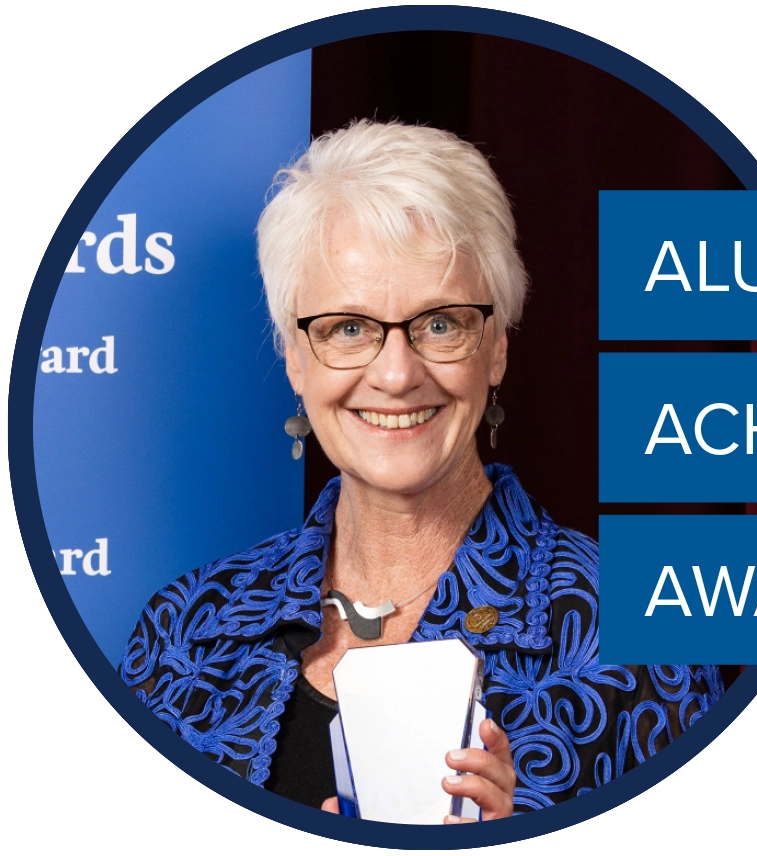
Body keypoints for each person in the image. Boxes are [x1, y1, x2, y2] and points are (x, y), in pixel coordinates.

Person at [119, 120, 725, 821]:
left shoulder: (640, 638)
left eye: (440, 324)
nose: (398, 373)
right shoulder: (185, 634)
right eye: (348, 327)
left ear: (495, 348)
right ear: (293, 357)